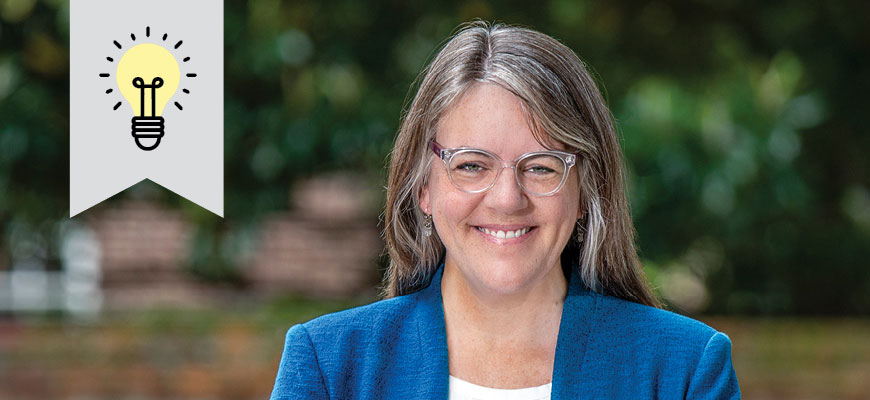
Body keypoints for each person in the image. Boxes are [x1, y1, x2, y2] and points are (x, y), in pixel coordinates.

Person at [270, 21, 740, 400]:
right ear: (422, 188)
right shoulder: (330, 367)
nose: (507, 199)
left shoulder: (684, 370)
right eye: (471, 165)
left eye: (540, 168)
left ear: (586, 190)